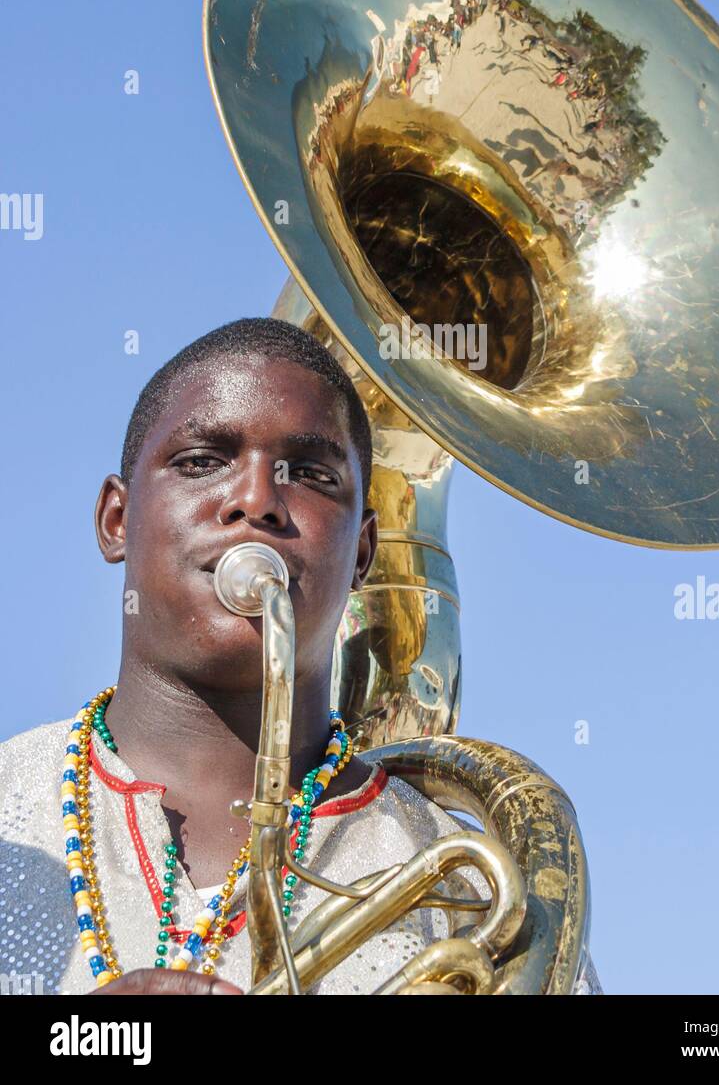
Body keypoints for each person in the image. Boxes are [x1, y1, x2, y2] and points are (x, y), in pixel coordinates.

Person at [0, 318, 602, 996]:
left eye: (311, 475)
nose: (256, 501)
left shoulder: (472, 893)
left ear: (364, 555)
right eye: (201, 461)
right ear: (117, 519)